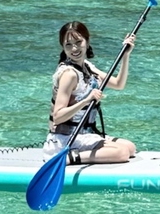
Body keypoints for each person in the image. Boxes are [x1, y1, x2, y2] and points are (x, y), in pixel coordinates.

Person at [45, 20, 137, 164]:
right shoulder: (69, 74)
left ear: (87, 42)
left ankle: (79, 153)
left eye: (78, 42)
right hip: (66, 139)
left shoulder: (87, 67)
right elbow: (57, 117)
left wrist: (126, 55)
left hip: (85, 134)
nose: (74, 48)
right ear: (63, 47)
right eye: (68, 44)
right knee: (122, 153)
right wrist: (86, 100)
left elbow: (118, 84)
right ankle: (67, 158)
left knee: (130, 148)